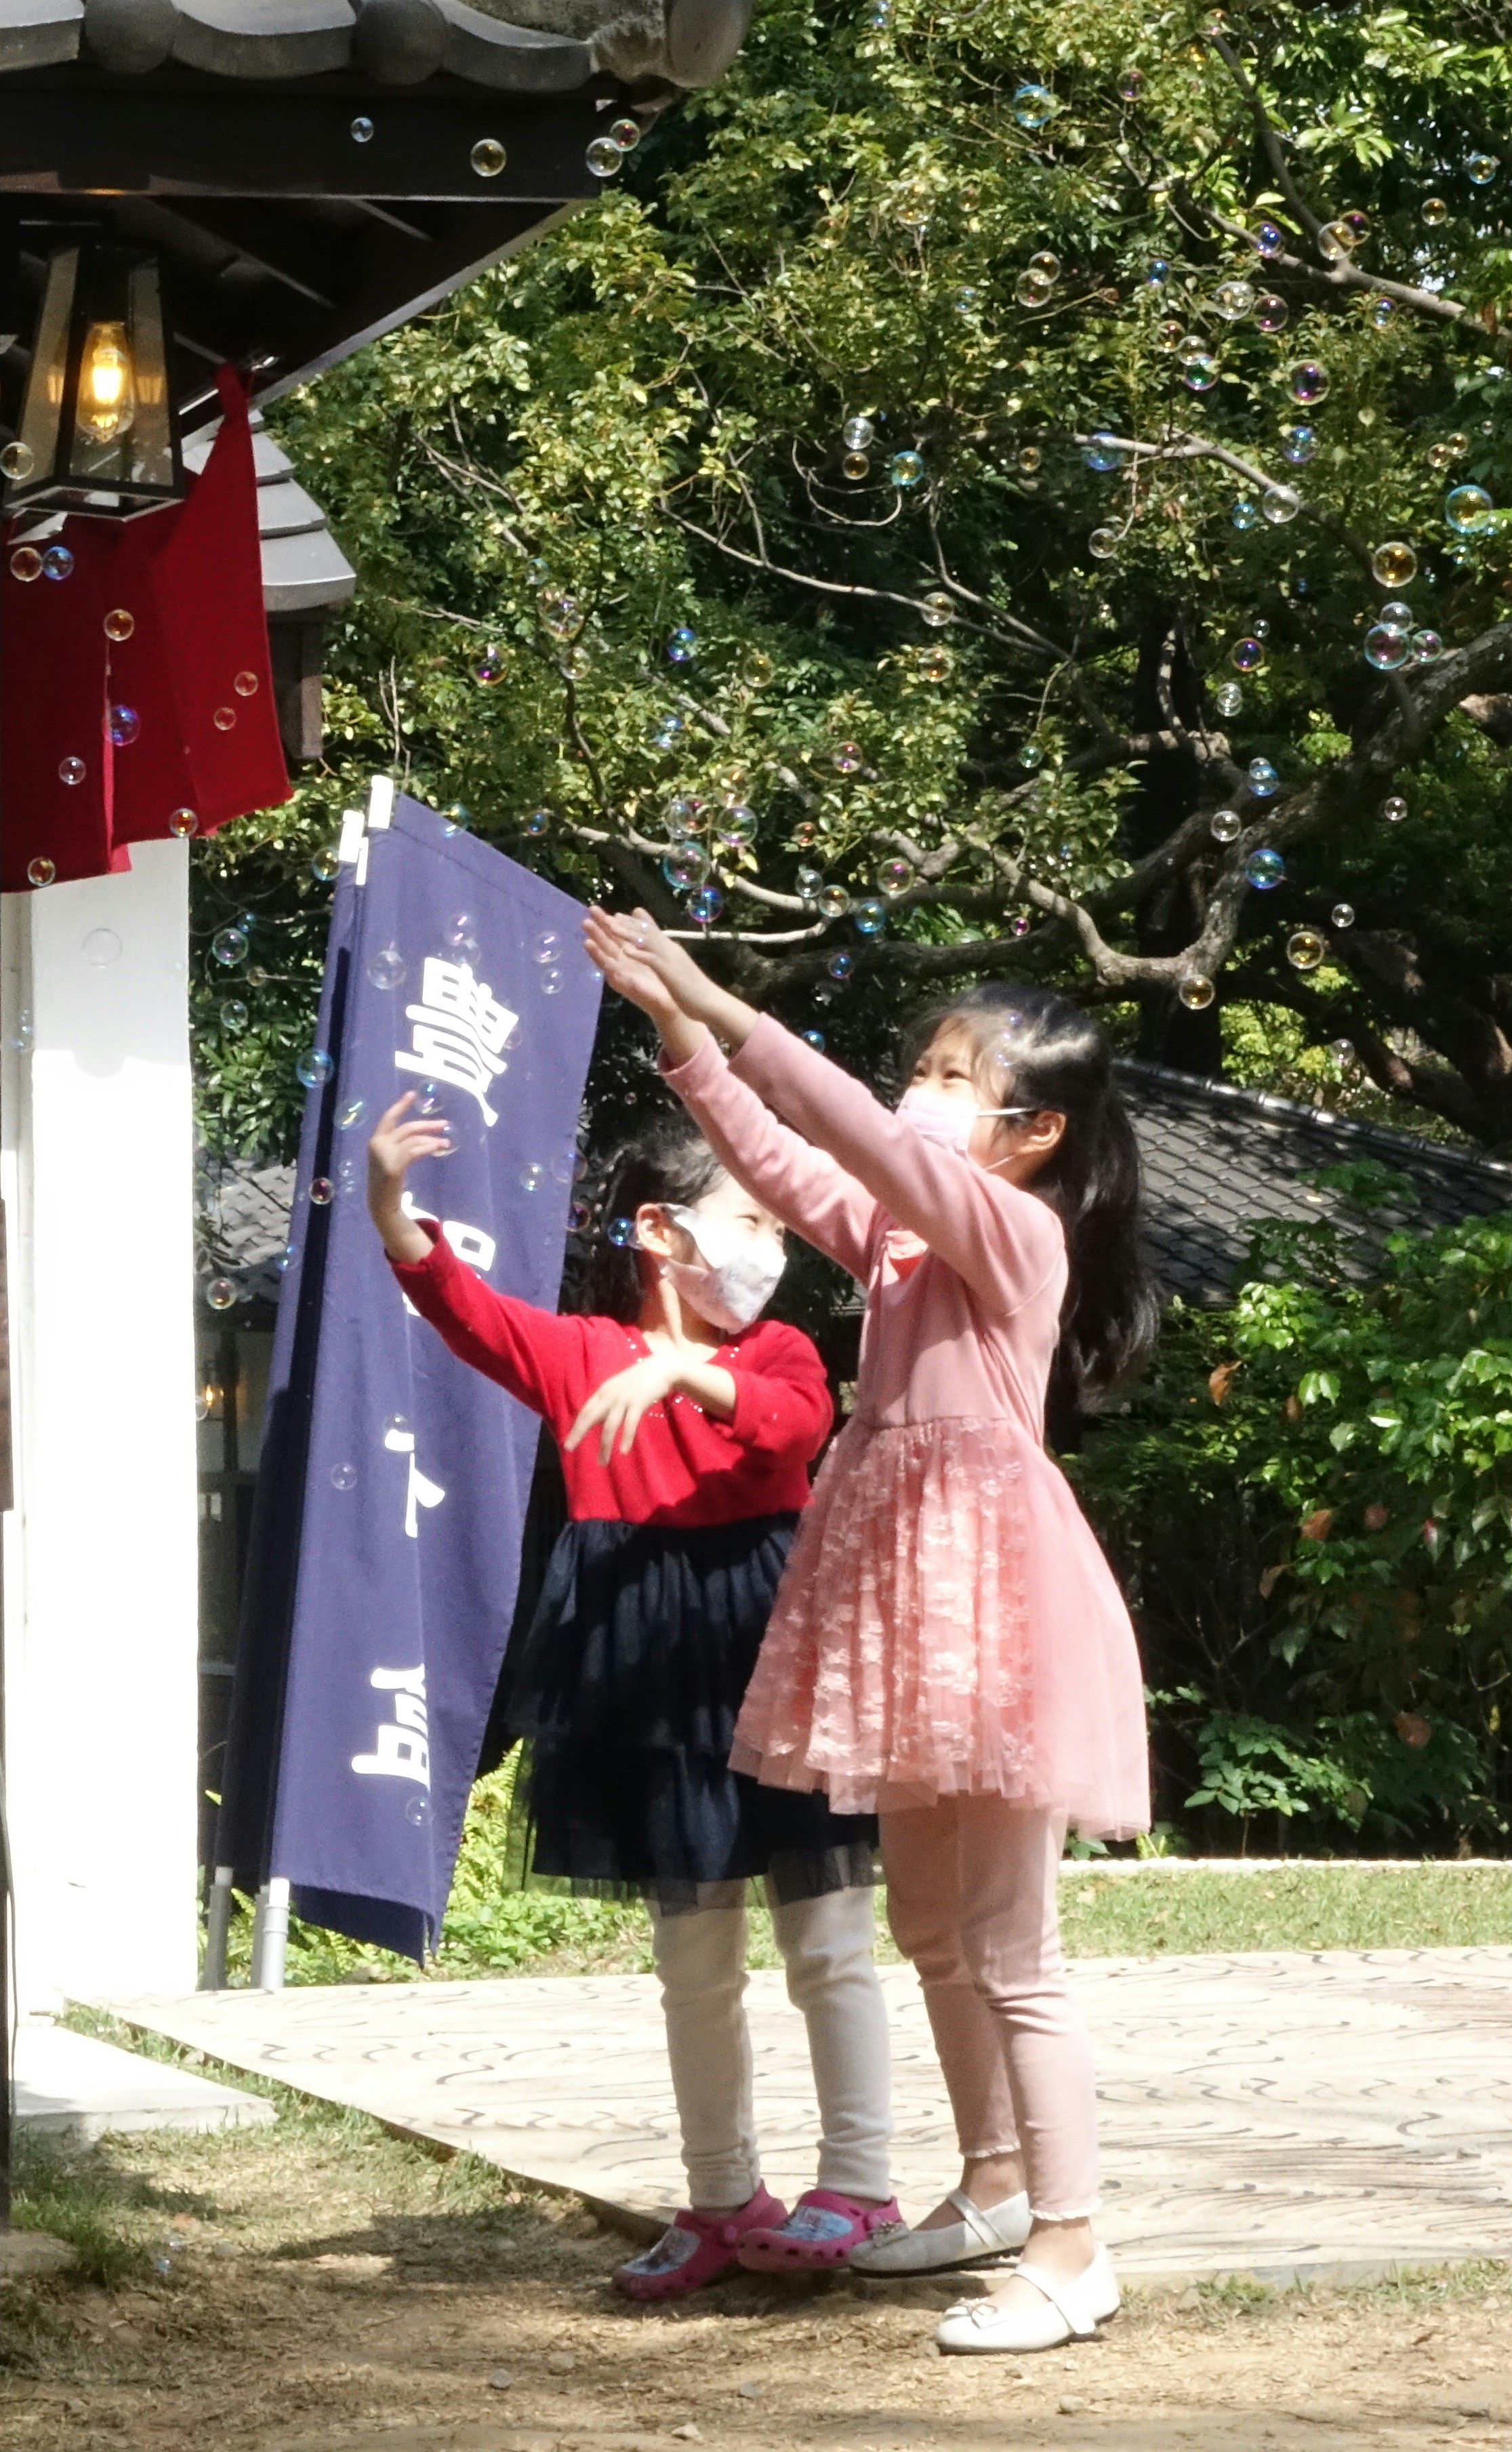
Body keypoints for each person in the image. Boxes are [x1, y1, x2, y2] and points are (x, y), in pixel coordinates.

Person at [580, 907, 1158, 2356]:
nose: (926, 1092)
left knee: (1014, 1947)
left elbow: (867, 1144)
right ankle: (993, 2189)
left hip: (997, 1600)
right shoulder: (907, 1248)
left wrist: (725, 998)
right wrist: (684, 1041)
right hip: (913, 1599)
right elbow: (791, 1164)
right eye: (930, 1064)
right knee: (926, 1924)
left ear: (1033, 1134)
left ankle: (1075, 2252)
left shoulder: (1015, 1228)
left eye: (959, 1078)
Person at [365, 1092, 897, 2302]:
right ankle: (723, 2198)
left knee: (828, 1938)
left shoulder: (781, 1350)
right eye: (750, 1217)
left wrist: (679, 1374)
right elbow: (461, 1309)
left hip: (773, 1649)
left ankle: (859, 2183)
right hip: (643, 1680)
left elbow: (792, 1427)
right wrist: (392, 1201)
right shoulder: (579, 1354)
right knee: (693, 1961)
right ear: (661, 1231)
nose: (770, 1247)